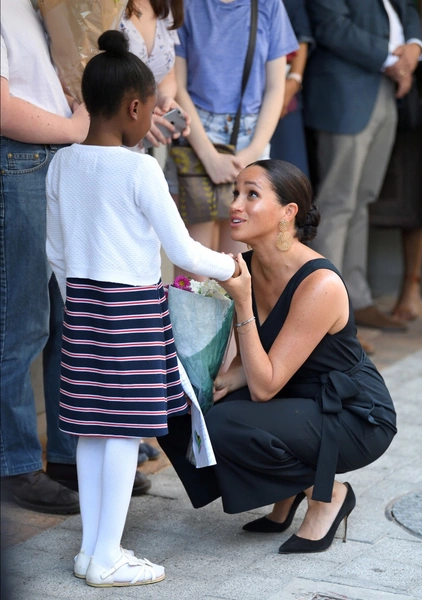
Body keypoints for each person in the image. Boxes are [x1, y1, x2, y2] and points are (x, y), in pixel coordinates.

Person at [46, 30, 240, 587]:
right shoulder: (140, 170)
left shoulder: (63, 163)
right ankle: (106, 557)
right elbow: (181, 251)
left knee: (91, 427)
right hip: (131, 308)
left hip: (81, 302)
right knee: (124, 430)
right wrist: (234, 268)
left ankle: (91, 550)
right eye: (153, 108)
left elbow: (54, 249)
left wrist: (76, 294)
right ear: (135, 108)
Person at [158, 159, 397, 555]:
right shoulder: (249, 265)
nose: (236, 204)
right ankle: (285, 493)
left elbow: (266, 385)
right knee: (180, 407)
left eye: (252, 194)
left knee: (227, 424)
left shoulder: (320, 283)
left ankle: (327, 494)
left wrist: (243, 304)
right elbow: (253, 362)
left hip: (352, 413)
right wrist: (217, 382)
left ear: (288, 213)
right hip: (292, 394)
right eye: (235, 192)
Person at [0, 0, 88, 515]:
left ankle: (68, 458)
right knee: (21, 325)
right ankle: (14, 466)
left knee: (66, 320)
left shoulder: (37, 7)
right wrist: (76, 127)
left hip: (53, 163)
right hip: (18, 161)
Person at [302, 0, 422, 352]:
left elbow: (409, 11)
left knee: (363, 199)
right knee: (338, 203)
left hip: (385, 93)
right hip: (347, 94)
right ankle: (325, 317)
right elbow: (331, 25)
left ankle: (355, 299)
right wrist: (392, 60)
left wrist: (413, 47)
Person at [171, 0, 298, 273]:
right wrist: (208, 155)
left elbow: (276, 88)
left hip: (252, 134)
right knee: (193, 265)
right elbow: (176, 86)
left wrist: (250, 156)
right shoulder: (187, 5)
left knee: (240, 265)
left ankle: (236, 319)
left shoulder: (269, 5)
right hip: (196, 134)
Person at [119, 0, 188, 463]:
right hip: (108, 154)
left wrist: (166, 104)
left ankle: (141, 420)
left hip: (146, 151)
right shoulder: (98, 8)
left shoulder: (163, 10)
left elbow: (169, 79)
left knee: (148, 287)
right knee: (124, 294)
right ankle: (121, 422)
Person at [119, 0, 190, 151]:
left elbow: (167, 75)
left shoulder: (164, 6)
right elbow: (73, 83)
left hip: (136, 149)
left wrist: (164, 100)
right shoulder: (101, 8)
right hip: (101, 142)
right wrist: (133, 115)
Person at [269, 0, 313, 178]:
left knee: (289, 176)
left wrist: (293, 82)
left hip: (284, 94)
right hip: (236, 100)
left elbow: (302, 37)